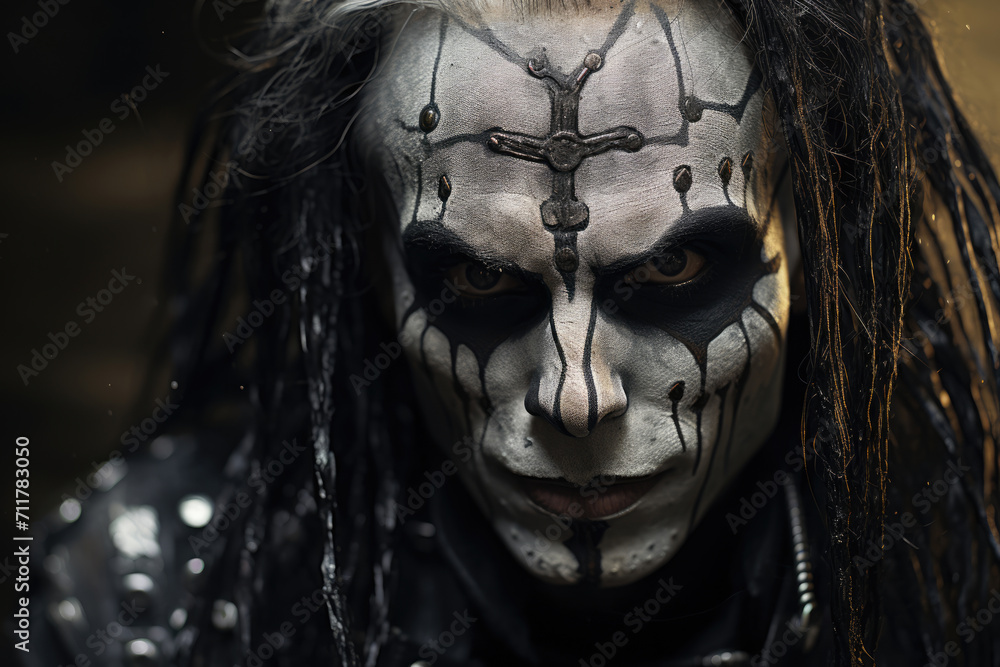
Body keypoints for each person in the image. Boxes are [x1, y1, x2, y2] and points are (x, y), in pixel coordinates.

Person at [28, 0, 1000, 665]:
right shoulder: (135, 601)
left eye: (671, 270)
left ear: (826, 241)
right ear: (358, 262)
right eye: (480, 277)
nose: (575, 399)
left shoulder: (966, 579)